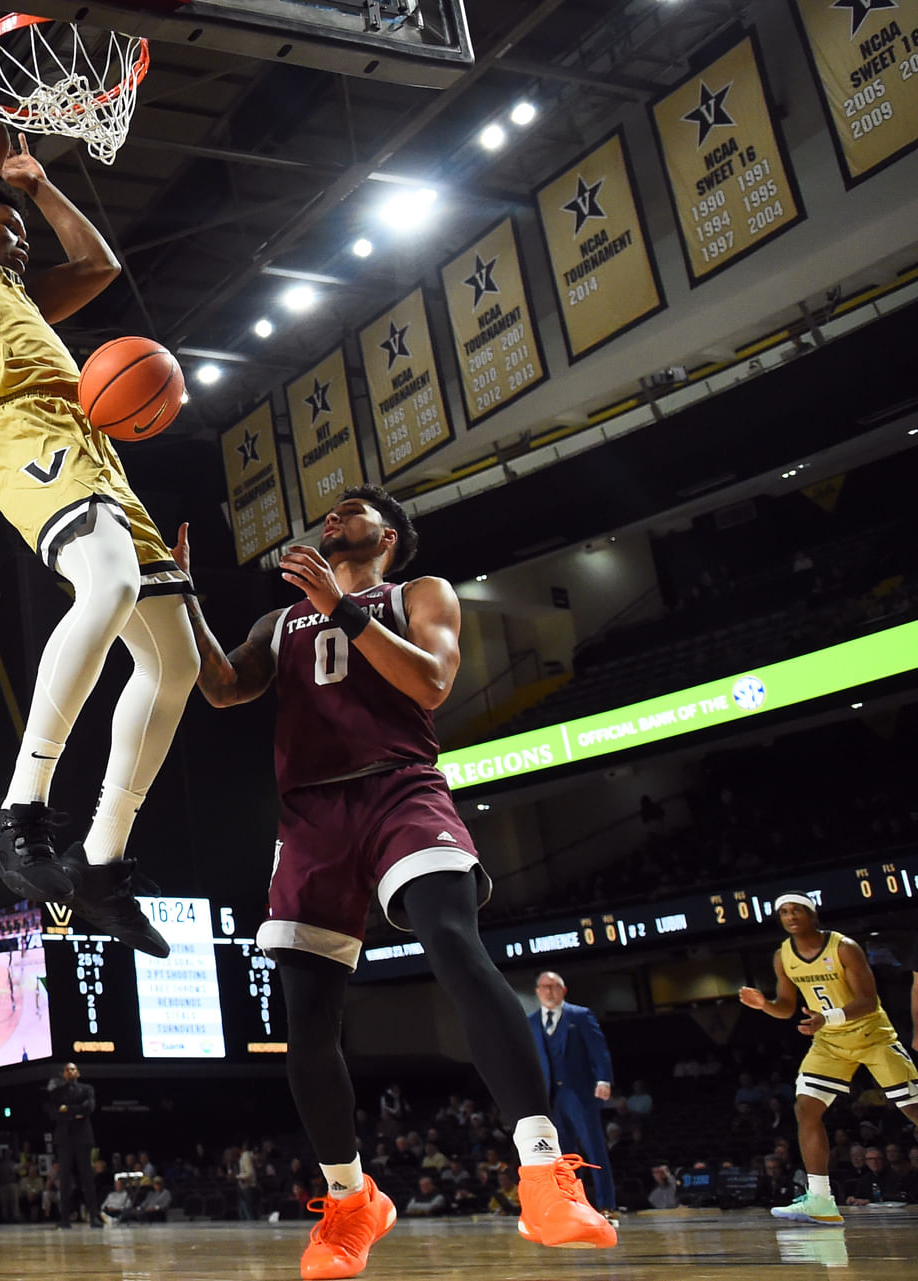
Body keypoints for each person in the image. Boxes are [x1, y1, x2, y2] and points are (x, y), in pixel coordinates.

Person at [178, 489, 615, 1277]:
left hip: (400, 787)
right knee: (306, 1017)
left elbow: (431, 683)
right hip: (309, 814)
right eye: (331, 510)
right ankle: (350, 1201)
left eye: (354, 509)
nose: (333, 516)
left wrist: (342, 606)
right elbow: (220, 687)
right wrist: (183, 605)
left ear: (390, 534)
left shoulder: (419, 592)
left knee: (451, 939)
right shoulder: (278, 622)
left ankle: (546, 1172)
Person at [0, 84, 198, 957]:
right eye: (2, 214)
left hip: (92, 444)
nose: (20, 231)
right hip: (20, 430)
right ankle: (19, 808)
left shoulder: (26, 297)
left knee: (174, 660)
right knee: (105, 583)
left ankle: (104, 860)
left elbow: (104, 263)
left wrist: (38, 187)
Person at [738, 892, 918, 1226]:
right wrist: (765, 1005)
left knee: (912, 1108)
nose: (791, 916)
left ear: (812, 914)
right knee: (806, 1108)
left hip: (870, 1035)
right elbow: (787, 1008)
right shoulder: (783, 955)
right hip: (829, 1043)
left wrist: (827, 1017)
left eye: (797, 910)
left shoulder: (844, 947)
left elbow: (867, 1000)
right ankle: (821, 1199)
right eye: (785, 912)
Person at [529, 972, 616, 1209]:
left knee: (594, 1150)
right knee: (562, 1156)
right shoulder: (532, 1021)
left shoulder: (580, 1015)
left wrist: (603, 1080)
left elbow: (599, 1050)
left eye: (554, 986)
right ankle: (573, 1207)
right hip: (550, 1098)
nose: (549, 991)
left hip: (579, 1094)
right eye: (544, 987)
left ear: (563, 990)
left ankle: (607, 1206)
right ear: (537, 991)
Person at [48, 1063, 97, 1229]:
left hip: (83, 1137)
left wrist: (67, 1110)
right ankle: (65, 1219)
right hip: (64, 1139)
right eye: (67, 1070)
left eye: (73, 1069)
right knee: (65, 1180)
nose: (70, 1072)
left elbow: (89, 1108)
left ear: (78, 1072)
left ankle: (94, 1217)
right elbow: (53, 1112)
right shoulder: (57, 1092)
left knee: (87, 1178)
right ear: (63, 1074)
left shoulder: (87, 1089)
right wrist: (77, 1112)